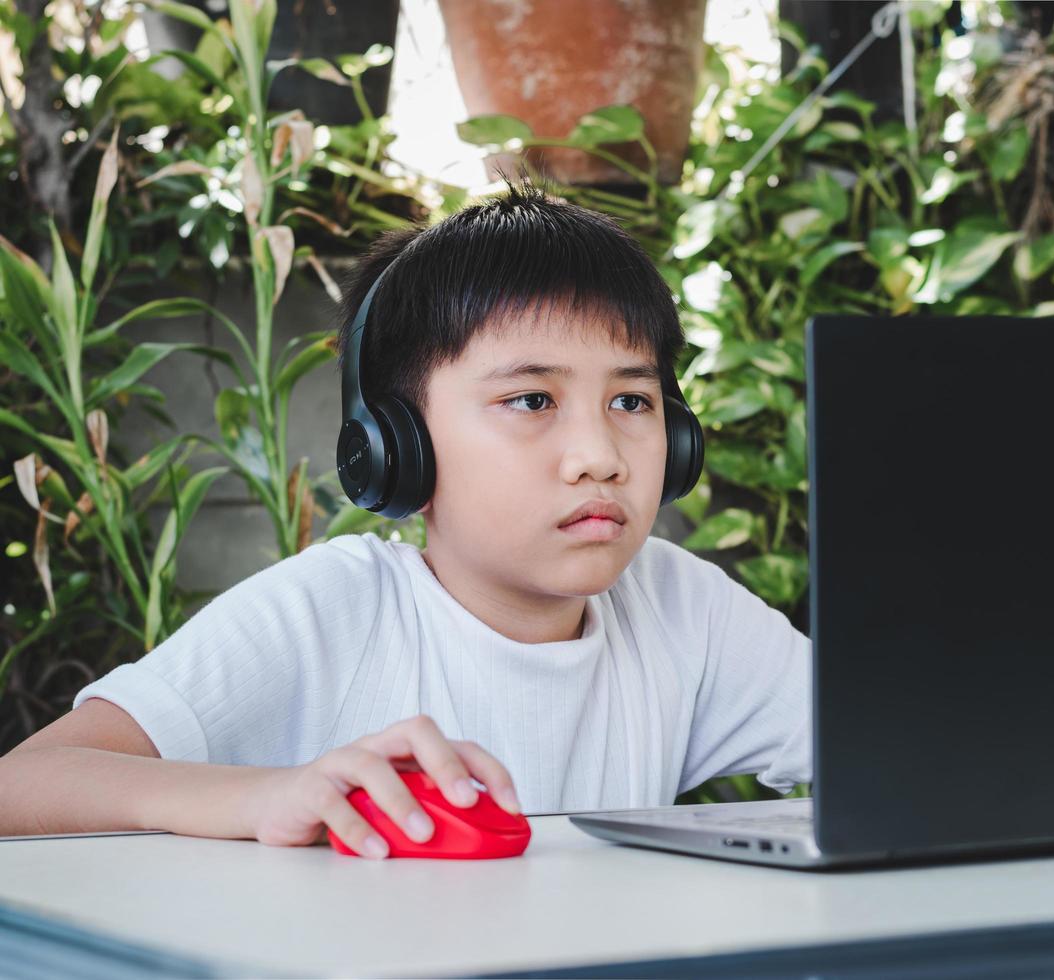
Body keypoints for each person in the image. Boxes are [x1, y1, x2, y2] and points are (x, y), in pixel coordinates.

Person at [0, 177, 811, 859]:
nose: (599, 455)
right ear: (396, 450)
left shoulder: (679, 608)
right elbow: (21, 784)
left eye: (632, 400)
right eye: (532, 400)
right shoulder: (334, 611)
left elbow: (903, 738)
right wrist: (267, 796)